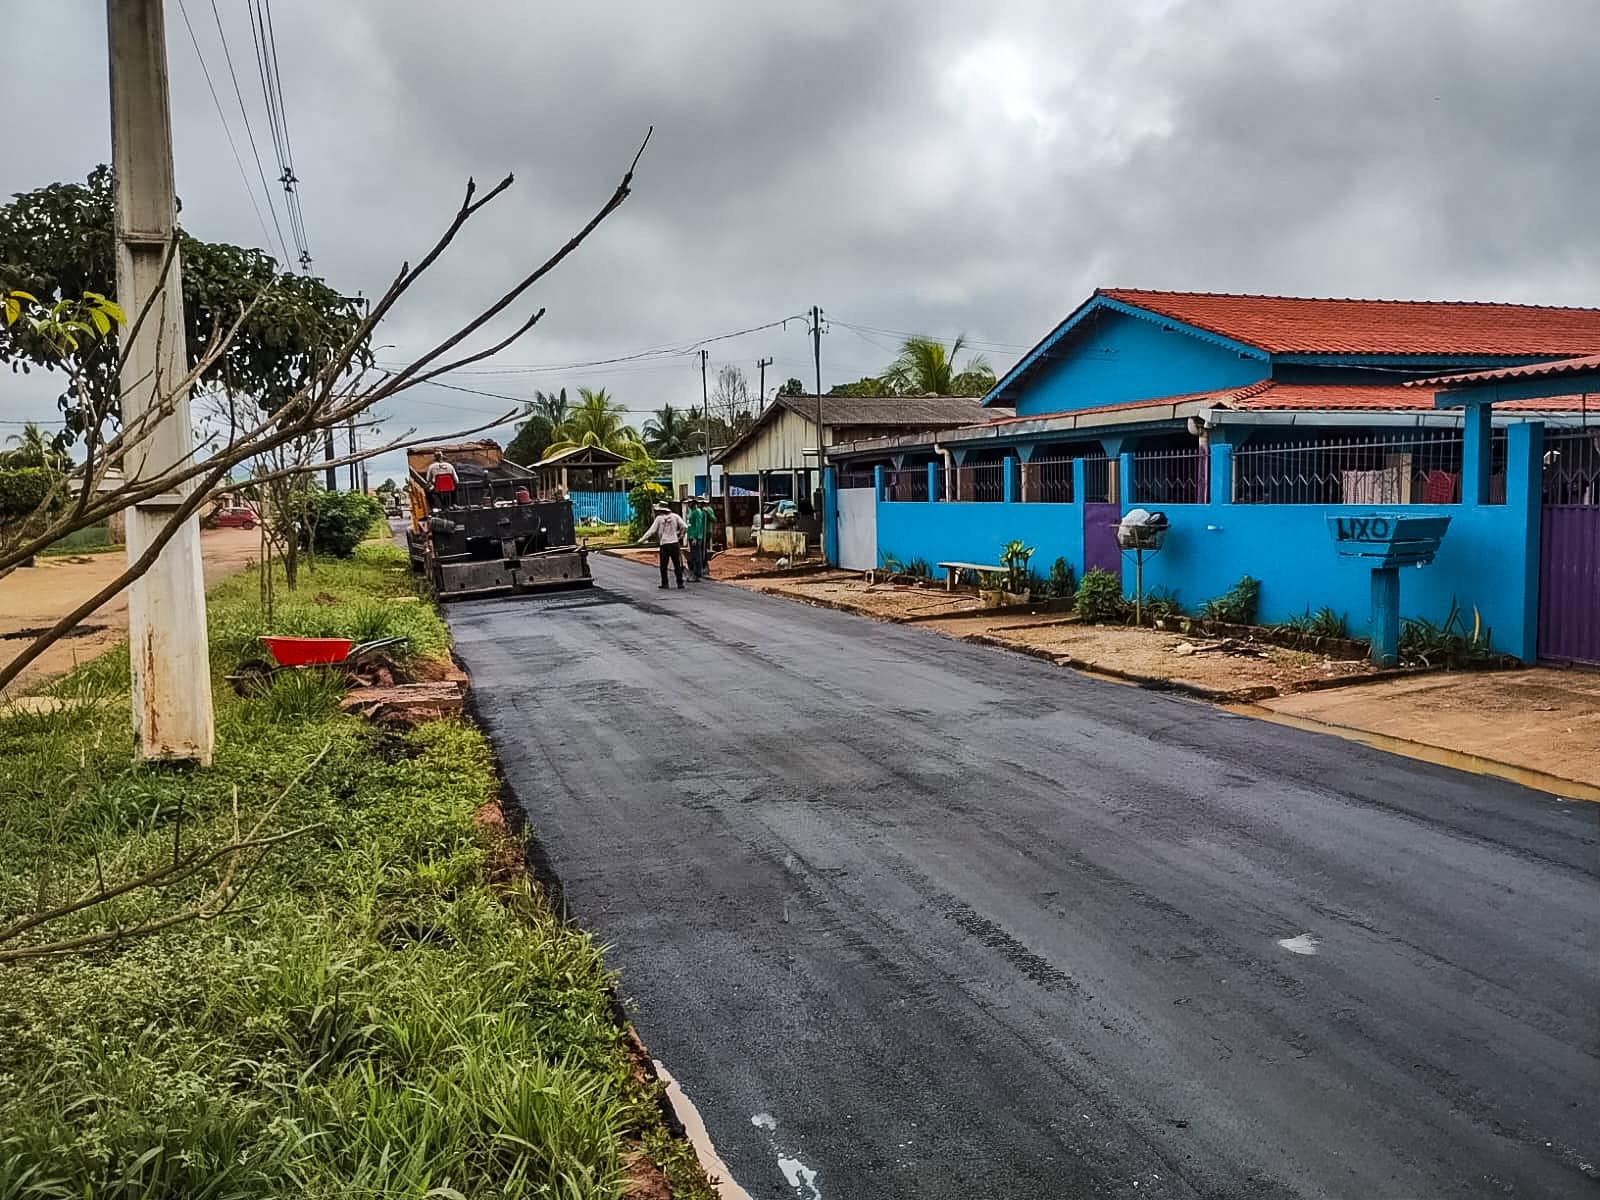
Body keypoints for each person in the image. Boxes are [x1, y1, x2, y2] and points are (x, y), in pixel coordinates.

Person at [638, 502, 688, 589]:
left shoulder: (659, 518)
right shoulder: (675, 516)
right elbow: (685, 526)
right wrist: (681, 535)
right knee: (677, 564)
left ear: (660, 510)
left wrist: (642, 540)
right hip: (674, 543)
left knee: (663, 566)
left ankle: (665, 583)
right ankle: (680, 583)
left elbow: (651, 531)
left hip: (664, 544)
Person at [685, 496, 711, 581]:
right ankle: (694, 572)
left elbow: (699, 526)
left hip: (695, 537)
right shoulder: (691, 512)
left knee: (697, 555)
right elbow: (690, 524)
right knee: (693, 555)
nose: (688, 504)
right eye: (688, 503)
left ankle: (697, 574)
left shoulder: (697, 512)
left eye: (690, 503)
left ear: (694, 503)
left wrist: (696, 537)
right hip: (691, 535)